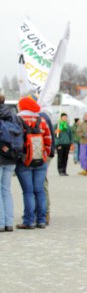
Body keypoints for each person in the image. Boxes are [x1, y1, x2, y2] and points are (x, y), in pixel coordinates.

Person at [15, 96, 53, 230]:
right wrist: (44, 154)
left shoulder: (18, 119)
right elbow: (48, 140)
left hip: (24, 161)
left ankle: (29, 221)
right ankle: (41, 220)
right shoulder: (41, 120)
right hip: (40, 160)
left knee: (28, 192)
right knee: (40, 191)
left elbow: (15, 140)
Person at [0, 94, 21, 232]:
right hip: (11, 157)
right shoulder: (14, 116)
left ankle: (1, 223)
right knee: (6, 190)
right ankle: (8, 222)